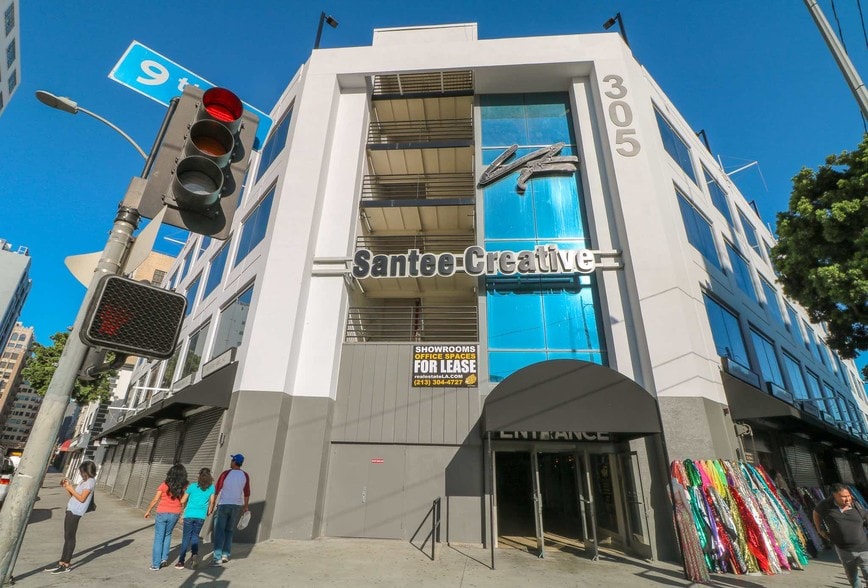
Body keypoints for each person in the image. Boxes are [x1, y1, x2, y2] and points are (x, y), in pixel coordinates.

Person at [44, 461, 97, 575]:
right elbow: (74, 496)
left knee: (70, 537)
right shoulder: (84, 481)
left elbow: (82, 499)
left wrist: (71, 488)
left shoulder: (90, 482)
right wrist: (67, 487)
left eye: (81, 471)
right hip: (72, 509)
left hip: (75, 511)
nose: (80, 473)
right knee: (67, 537)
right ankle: (61, 562)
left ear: (86, 471)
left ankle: (66, 564)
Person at [813, 483, 868, 588]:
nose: (848, 499)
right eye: (843, 497)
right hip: (844, 549)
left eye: (848, 496)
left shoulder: (857, 505)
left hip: (864, 548)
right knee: (852, 577)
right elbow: (816, 513)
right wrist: (820, 530)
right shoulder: (826, 505)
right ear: (834, 495)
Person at [144, 463, 188, 571]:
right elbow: (184, 501)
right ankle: (164, 559)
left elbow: (155, 499)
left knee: (159, 538)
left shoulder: (164, 485)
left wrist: (148, 511)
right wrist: (183, 514)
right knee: (168, 535)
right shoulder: (183, 486)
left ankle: (155, 564)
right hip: (175, 513)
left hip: (162, 512)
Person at [211, 453, 250, 566]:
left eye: (232, 460)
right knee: (229, 530)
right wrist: (245, 506)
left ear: (234, 461)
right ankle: (225, 555)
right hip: (236, 505)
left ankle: (217, 558)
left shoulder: (225, 474)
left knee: (219, 531)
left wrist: (212, 504)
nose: (231, 462)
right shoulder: (245, 475)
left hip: (223, 504)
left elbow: (217, 489)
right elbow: (247, 492)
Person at [175, 467, 216, 569]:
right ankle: (194, 554)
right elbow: (212, 501)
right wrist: (209, 511)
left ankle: (181, 561)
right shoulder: (211, 487)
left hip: (189, 514)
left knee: (186, 538)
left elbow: (183, 501)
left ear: (199, 476)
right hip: (201, 516)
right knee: (195, 536)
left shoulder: (192, 486)